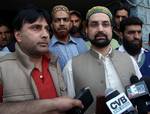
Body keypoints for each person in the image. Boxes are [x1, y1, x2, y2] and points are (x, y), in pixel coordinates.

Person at [0, 7, 83, 114]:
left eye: (47, 29)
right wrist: (53, 105)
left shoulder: (54, 62)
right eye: (36, 28)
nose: (45, 35)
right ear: (18, 36)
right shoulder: (3, 68)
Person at [63, 6, 142, 114]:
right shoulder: (71, 66)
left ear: (111, 29)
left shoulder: (129, 60)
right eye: (94, 24)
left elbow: (141, 98)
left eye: (105, 24)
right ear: (86, 29)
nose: (100, 29)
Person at [49, 5, 88, 70]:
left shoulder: (81, 42)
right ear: (51, 25)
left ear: (70, 24)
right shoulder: (47, 47)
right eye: (57, 20)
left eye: (65, 20)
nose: (62, 23)